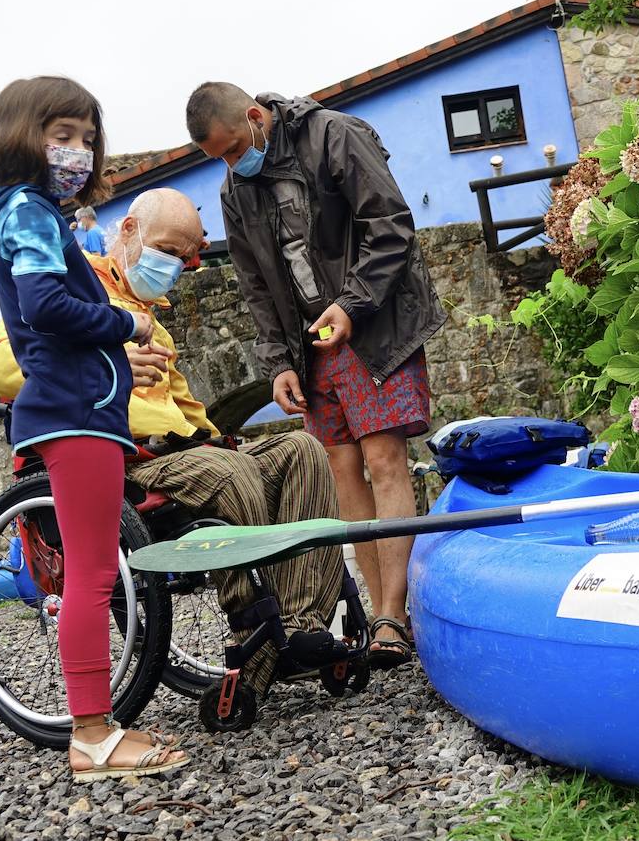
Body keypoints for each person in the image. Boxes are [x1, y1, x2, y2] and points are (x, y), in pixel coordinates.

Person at [0, 187, 349, 693]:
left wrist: (221, 440)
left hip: (180, 453)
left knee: (302, 451)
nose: (175, 266)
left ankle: (302, 628)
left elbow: (188, 411)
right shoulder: (64, 281)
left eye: (184, 257)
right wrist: (100, 360)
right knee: (228, 473)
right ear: (129, 231)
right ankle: (256, 640)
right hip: (121, 456)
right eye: (168, 251)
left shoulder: (153, 323)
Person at [0, 75, 187, 782]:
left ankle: (96, 730)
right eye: (61, 135)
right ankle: (92, 735)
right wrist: (127, 322)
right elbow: (48, 307)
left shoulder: (22, 213)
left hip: (74, 408)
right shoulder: (28, 212)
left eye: (87, 138)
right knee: (91, 576)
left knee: (90, 571)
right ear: (21, 137)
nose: (78, 152)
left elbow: (8, 285)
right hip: (74, 411)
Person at [185, 82, 446, 670]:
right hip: (312, 347)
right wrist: (277, 361)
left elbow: (392, 228)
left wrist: (352, 306)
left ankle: (390, 615)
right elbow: (255, 288)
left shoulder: (336, 134)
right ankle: (383, 614)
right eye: (218, 159)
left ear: (255, 117)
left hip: (374, 324)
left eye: (232, 150)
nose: (230, 166)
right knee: (342, 467)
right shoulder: (236, 192)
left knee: (384, 461)